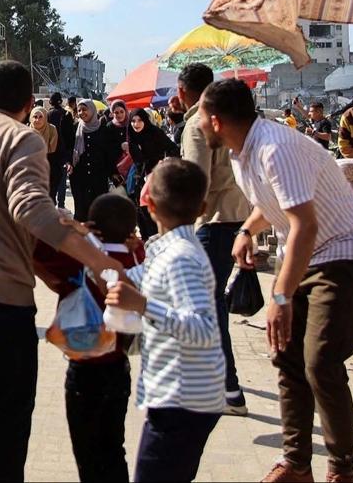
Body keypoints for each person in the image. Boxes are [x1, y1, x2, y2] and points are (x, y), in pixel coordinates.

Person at [0, 60, 120, 482]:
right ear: (29, 102)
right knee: (10, 417)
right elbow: (31, 210)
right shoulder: (21, 139)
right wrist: (101, 263)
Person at [200, 79, 353, 483]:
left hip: (341, 254)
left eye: (201, 123)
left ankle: (341, 472)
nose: (200, 130)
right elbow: (272, 205)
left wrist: (280, 294)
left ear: (215, 120)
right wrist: (246, 230)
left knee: (320, 363)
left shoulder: (275, 148)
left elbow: (305, 225)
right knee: (286, 357)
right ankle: (297, 465)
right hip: (304, 257)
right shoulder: (242, 153)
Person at [105, 159, 224, 482]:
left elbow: (202, 328)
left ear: (150, 206)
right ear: (203, 207)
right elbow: (131, 277)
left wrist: (143, 305)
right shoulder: (170, 249)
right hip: (181, 396)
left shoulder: (181, 258)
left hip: (184, 401)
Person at [33, 193, 144, 482]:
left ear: (92, 224)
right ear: (131, 230)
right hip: (119, 368)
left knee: (87, 455)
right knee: (113, 448)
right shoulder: (136, 255)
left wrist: (76, 230)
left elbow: (37, 249)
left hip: (84, 369)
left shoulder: (77, 259)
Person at [177, 62, 251, 416]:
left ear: (182, 92)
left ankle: (228, 387)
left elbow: (196, 182)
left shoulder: (197, 124)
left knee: (208, 304)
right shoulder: (232, 116)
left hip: (216, 221)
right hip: (241, 215)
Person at [128, 106, 180, 239]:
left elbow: (173, 149)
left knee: (153, 211)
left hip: (155, 176)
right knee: (140, 212)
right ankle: (147, 240)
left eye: (139, 120)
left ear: (145, 120)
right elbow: (138, 159)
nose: (136, 124)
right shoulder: (132, 135)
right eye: (133, 121)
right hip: (139, 177)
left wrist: (163, 163)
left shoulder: (155, 133)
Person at [66, 98, 121, 221]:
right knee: (81, 211)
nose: (81, 113)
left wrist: (112, 172)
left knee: (98, 211)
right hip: (79, 177)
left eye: (84, 110)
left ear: (92, 110)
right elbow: (69, 148)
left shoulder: (103, 129)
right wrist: (69, 162)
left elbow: (109, 153)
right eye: (79, 110)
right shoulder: (75, 127)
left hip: (98, 177)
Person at [47, 92, 76, 207]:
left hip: (50, 151)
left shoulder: (47, 114)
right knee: (62, 180)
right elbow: (70, 136)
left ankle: (51, 202)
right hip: (63, 152)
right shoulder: (66, 115)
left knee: (51, 179)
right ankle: (61, 204)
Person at [29, 106, 59, 186]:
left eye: (40, 117)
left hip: (49, 169)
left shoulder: (52, 129)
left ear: (45, 118)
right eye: (35, 117)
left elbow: (52, 150)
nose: (37, 120)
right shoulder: (26, 130)